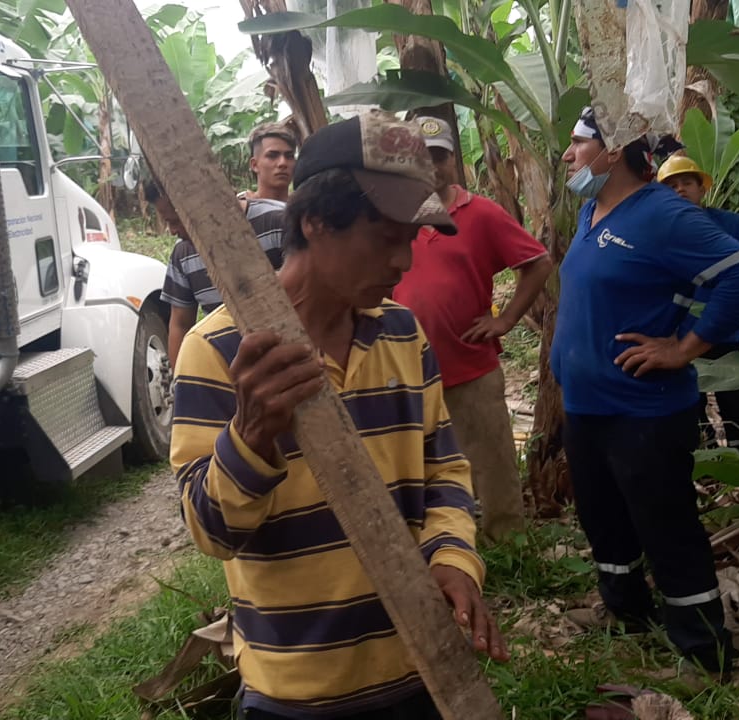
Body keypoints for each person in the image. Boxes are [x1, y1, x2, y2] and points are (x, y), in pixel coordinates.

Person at [171, 110, 508, 719]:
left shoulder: (403, 333)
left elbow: (444, 470)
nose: (404, 262)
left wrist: (453, 559)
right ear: (316, 221)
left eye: (412, 240)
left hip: (419, 666)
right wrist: (251, 436)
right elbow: (212, 533)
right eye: (387, 239)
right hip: (295, 687)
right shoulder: (218, 350)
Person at [552, 107, 739, 675]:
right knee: (604, 519)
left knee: (666, 527)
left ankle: (704, 652)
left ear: (614, 150)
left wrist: (684, 347)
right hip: (586, 405)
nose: (568, 155)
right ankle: (626, 612)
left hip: (642, 411)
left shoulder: (662, 214)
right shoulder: (591, 210)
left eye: (578, 143)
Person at [393, 116, 553, 543]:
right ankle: (437, 541)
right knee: (416, 463)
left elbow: (538, 262)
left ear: (453, 159)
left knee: (491, 459)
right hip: (404, 369)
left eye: (439, 156)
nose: (432, 165)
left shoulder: (480, 213)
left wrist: (506, 319)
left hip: (469, 364)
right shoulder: (393, 215)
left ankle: (507, 541)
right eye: (421, 156)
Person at [658, 154, 739, 457]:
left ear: (702, 188)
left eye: (687, 183)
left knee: (737, 406)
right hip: (679, 335)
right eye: (671, 186)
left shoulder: (732, 225)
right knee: (689, 409)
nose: (680, 190)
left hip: (727, 331)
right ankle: (705, 468)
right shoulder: (658, 234)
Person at [154, 177, 286, 368]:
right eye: (167, 222)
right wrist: (180, 379)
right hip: (225, 370)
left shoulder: (280, 222)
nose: (172, 231)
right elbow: (180, 324)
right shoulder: (183, 254)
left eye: (175, 221)